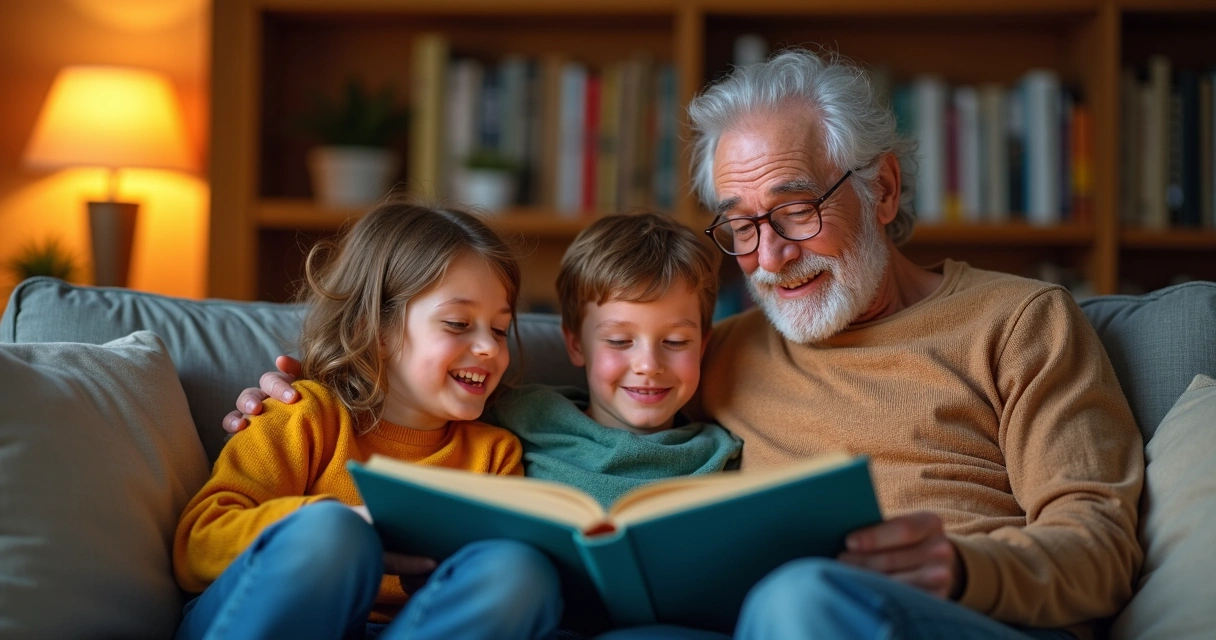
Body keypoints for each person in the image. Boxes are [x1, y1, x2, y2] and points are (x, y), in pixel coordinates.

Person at [229, 50, 1144, 639]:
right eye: (741, 226)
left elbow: (1101, 545)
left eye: (795, 209)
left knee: (797, 600)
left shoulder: (1022, 322)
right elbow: (510, 389)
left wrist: (966, 567)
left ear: (886, 190)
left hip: (967, 618)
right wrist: (315, 385)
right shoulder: (720, 350)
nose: (771, 257)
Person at [174, 201, 562, 640]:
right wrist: (351, 523)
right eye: (458, 323)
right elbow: (198, 545)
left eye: (498, 329)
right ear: (373, 329)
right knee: (333, 534)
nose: (490, 348)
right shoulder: (303, 414)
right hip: (264, 615)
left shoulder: (495, 454)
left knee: (520, 571)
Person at [484, 212, 742, 509]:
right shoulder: (517, 419)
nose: (648, 365)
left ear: (702, 346)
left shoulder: (722, 456)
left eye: (675, 342)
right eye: (620, 341)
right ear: (576, 344)